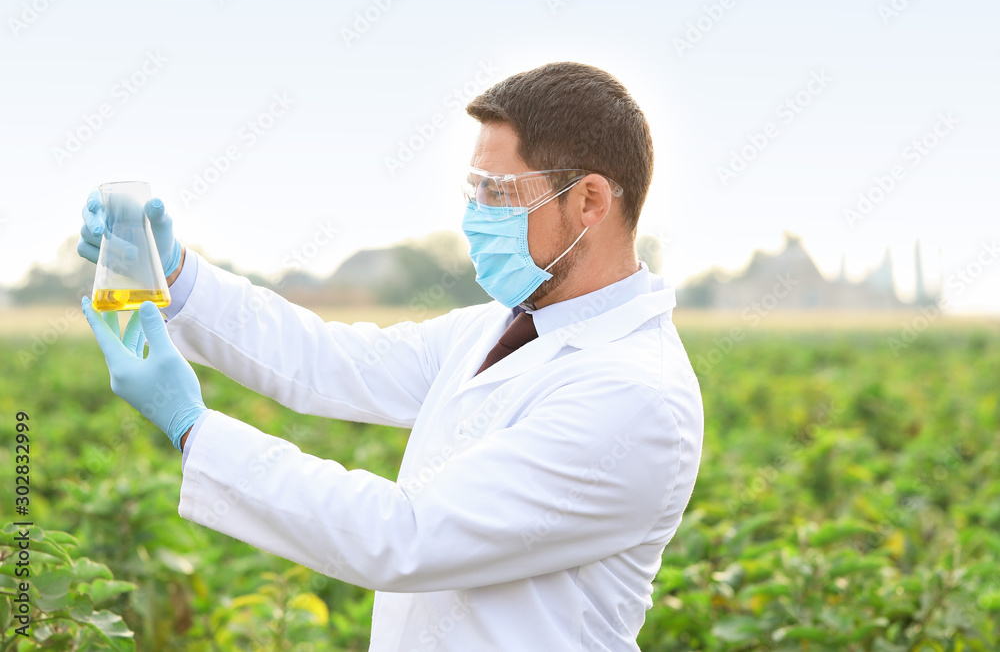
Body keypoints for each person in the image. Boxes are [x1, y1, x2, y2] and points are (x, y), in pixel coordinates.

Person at [78, 62, 704, 651]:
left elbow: (403, 536)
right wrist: (177, 276)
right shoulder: (505, 327)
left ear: (591, 201)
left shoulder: (632, 395)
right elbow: (329, 361)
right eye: (473, 188)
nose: (475, 215)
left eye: (499, 192)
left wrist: (193, 427)